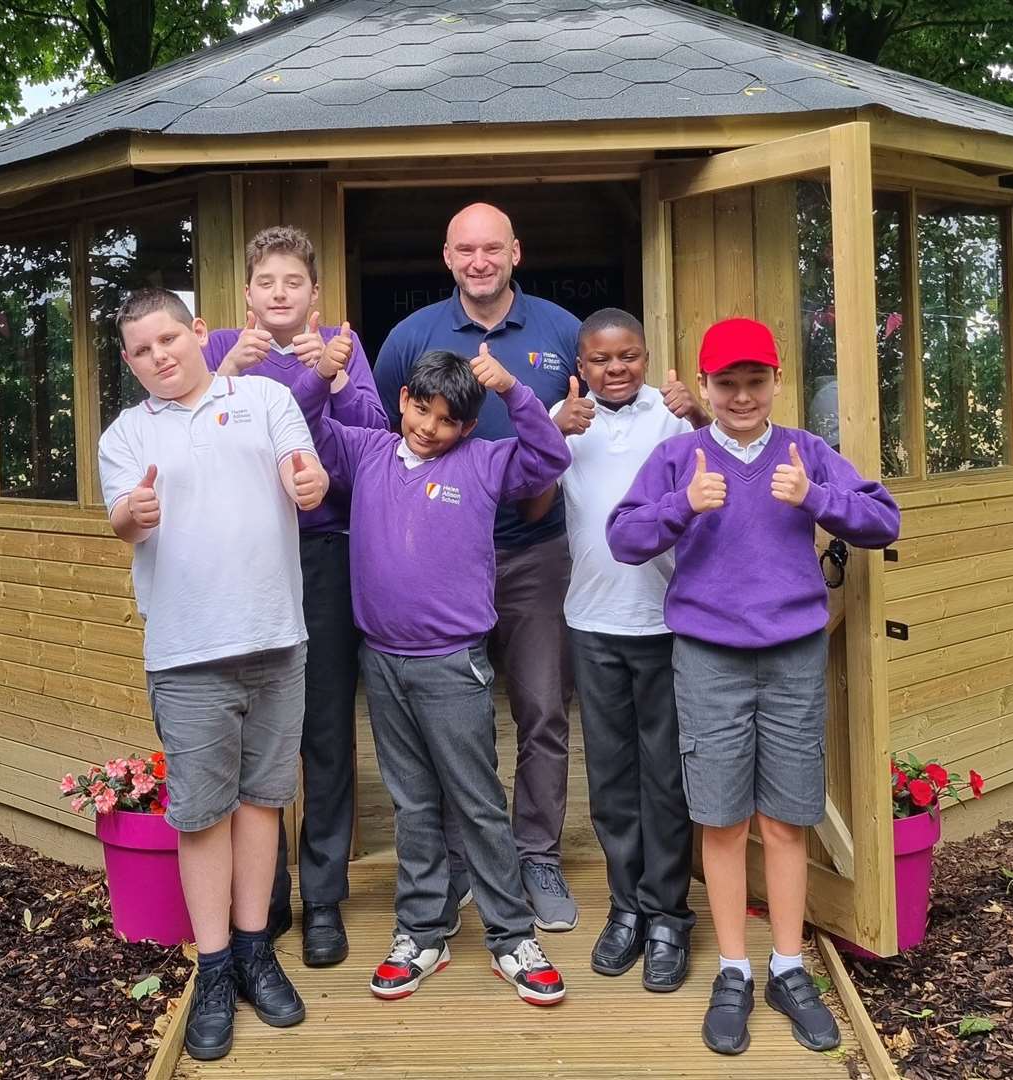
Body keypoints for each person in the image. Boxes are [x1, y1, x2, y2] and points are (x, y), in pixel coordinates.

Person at [606, 317, 900, 1057]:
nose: (741, 395)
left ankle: (788, 966)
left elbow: (881, 517)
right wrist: (682, 507)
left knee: (785, 817)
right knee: (722, 818)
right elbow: (623, 537)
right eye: (725, 382)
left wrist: (816, 500)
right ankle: (734, 968)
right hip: (706, 656)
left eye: (755, 380)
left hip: (793, 655)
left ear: (775, 383)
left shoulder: (806, 453)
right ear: (701, 387)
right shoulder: (680, 457)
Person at [297, 339, 570, 1005]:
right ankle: (422, 930)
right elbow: (303, 430)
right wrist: (321, 376)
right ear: (401, 401)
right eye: (421, 410)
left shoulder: (483, 460)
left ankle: (511, 934)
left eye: (447, 419)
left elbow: (549, 457)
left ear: (467, 427)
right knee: (412, 804)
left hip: (452, 666)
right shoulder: (364, 452)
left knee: (475, 802)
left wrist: (512, 388)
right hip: (382, 662)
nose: (430, 427)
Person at [97, 289, 331, 1061]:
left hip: (275, 640)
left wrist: (311, 486)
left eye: (169, 337)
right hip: (187, 653)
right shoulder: (126, 434)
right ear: (129, 362)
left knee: (264, 802)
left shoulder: (262, 398)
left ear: (198, 333)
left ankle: (257, 951)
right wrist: (135, 509)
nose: (160, 355)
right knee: (201, 816)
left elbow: (309, 475)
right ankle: (214, 968)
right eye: (141, 349)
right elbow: (121, 521)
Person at [372, 202, 582, 931]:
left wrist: (671, 405)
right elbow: (377, 439)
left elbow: (610, 409)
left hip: (533, 549)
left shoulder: (561, 331)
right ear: (447, 255)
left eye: (492, 247)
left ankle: (535, 857)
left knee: (541, 708)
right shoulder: (410, 337)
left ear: (515, 252)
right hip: (439, 561)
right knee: (449, 720)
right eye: (466, 248)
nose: (479, 260)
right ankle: (461, 857)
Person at [202, 226, 388, 968]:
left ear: (314, 293)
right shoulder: (217, 345)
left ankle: (325, 899)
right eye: (267, 282)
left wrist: (338, 379)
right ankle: (265, 894)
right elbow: (191, 440)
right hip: (244, 559)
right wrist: (227, 374)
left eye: (293, 283)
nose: (280, 294)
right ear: (247, 293)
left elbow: (375, 444)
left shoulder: (340, 343)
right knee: (261, 733)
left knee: (326, 729)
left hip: (323, 554)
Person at [542, 308, 707, 992]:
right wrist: (551, 435)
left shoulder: (670, 417)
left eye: (628, 356)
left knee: (664, 778)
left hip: (664, 621)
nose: (616, 369)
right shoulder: (566, 417)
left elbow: (724, 464)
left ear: (645, 357)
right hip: (593, 621)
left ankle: (669, 914)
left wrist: (697, 415)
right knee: (610, 781)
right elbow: (524, 502)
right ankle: (627, 908)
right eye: (602, 359)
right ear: (581, 363)